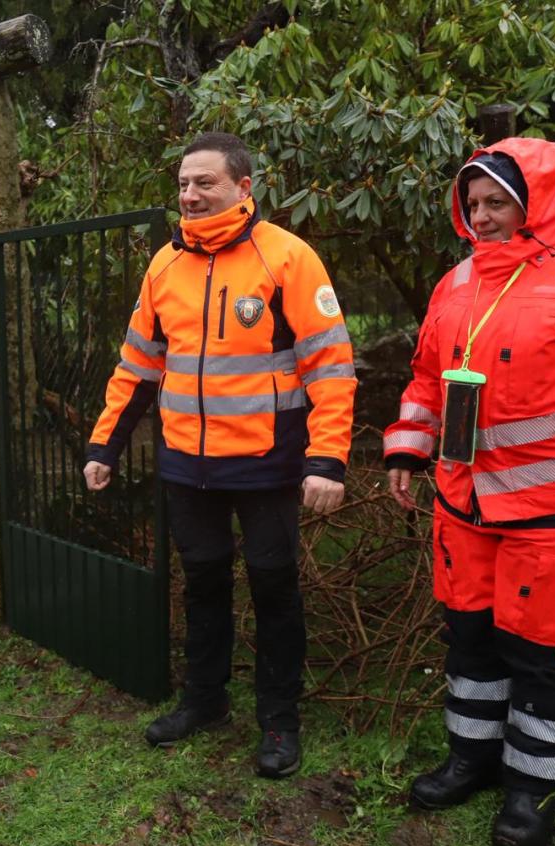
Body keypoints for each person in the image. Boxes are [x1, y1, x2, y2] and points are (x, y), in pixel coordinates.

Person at [384, 137, 555, 846]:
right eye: (473, 204)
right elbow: (428, 380)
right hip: (462, 507)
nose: (484, 216)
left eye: (498, 201)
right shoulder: (456, 282)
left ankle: (533, 789)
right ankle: (472, 758)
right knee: (469, 640)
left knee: (543, 651)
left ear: (538, 201)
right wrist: (408, 444)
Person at [83, 132, 356, 778]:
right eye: (183, 183)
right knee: (203, 585)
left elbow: (331, 368)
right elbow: (137, 368)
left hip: (266, 467)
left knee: (274, 590)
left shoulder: (288, 259)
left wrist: (328, 460)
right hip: (187, 468)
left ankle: (279, 723)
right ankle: (205, 701)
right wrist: (105, 444)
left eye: (204, 182)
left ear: (243, 188)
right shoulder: (164, 268)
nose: (190, 194)